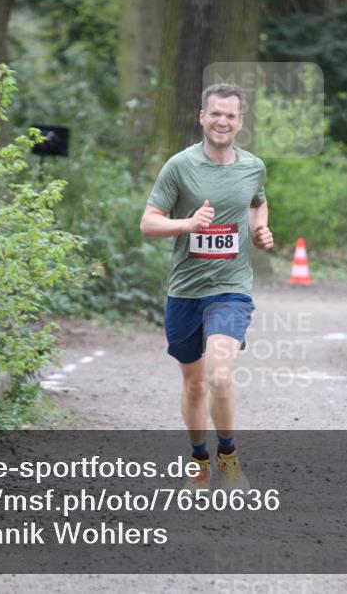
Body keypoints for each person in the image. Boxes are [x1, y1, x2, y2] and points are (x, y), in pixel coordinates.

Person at [140, 83, 274, 490]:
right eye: (215, 113)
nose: (222, 121)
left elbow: (257, 201)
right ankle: (198, 460)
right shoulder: (179, 166)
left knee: (219, 375)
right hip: (185, 290)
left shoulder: (253, 167)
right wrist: (187, 224)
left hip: (231, 287)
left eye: (230, 115)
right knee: (195, 383)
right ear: (202, 116)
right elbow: (148, 223)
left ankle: (228, 457)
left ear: (240, 122)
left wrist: (260, 229)